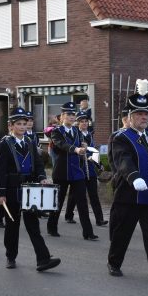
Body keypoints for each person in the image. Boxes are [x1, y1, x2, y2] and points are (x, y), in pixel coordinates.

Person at [107, 90, 148, 282]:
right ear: (129, 117)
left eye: (146, 114)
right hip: (129, 194)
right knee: (122, 233)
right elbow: (122, 161)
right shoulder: (121, 137)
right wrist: (133, 176)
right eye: (139, 114)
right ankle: (114, 262)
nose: (144, 117)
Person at [0, 107, 61, 271]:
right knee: (12, 225)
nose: (23, 127)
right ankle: (10, 256)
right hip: (11, 189)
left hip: (29, 189)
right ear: (11, 126)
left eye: (25, 124)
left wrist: (42, 178)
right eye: (19, 124)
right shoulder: (5, 144)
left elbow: (38, 165)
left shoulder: (30, 142)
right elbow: (0, 170)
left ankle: (43, 259)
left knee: (33, 225)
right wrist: (0, 193)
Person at [47, 102, 98, 241]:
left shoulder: (77, 131)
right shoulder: (56, 131)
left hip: (77, 172)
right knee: (58, 202)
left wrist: (85, 146)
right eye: (68, 114)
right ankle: (52, 227)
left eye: (72, 114)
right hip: (62, 172)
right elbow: (61, 144)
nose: (71, 117)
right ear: (62, 117)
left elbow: (83, 144)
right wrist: (75, 149)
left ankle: (88, 232)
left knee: (82, 203)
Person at [64, 111, 107, 226]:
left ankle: (99, 219)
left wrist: (99, 164)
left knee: (93, 194)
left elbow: (93, 151)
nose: (84, 124)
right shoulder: (76, 134)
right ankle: (69, 214)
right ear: (77, 123)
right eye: (81, 122)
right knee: (74, 194)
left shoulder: (90, 134)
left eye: (86, 121)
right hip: (80, 168)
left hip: (90, 169)